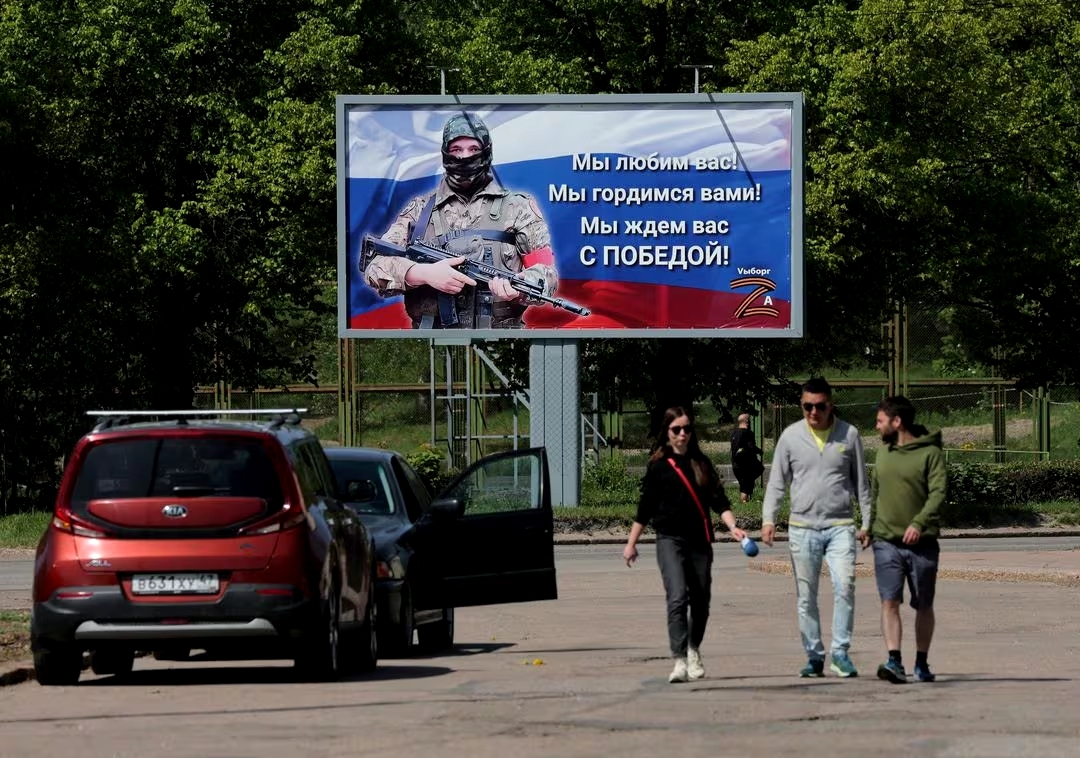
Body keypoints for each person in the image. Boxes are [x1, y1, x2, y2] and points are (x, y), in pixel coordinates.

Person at [362, 111, 559, 329]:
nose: (464, 157)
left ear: (486, 152)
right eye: (456, 149)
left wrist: (520, 287)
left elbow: (548, 274)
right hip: (431, 342)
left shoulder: (518, 208)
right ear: (445, 154)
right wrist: (422, 273)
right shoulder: (420, 210)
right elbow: (375, 266)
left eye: (473, 149)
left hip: (501, 340)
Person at [622, 406, 747, 683]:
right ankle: (679, 660)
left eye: (686, 429)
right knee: (677, 597)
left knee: (701, 603)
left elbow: (719, 500)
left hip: (700, 541)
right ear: (667, 433)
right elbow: (645, 508)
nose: (682, 434)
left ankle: (693, 649)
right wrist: (631, 543)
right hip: (669, 540)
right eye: (676, 429)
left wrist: (733, 527)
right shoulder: (658, 467)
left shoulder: (701, 463)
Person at [761, 377, 872, 678]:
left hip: (840, 526)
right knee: (806, 595)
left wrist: (867, 522)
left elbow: (862, 483)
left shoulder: (849, 435)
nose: (813, 412)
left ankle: (840, 653)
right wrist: (769, 518)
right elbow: (776, 483)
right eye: (807, 406)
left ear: (830, 405)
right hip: (802, 527)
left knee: (845, 586)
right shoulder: (790, 436)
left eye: (819, 406)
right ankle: (814, 656)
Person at [870, 395, 947, 684]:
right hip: (885, 541)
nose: (876, 427)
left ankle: (922, 662)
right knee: (889, 601)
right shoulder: (883, 453)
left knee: (923, 605)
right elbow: (874, 492)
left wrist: (918, 522)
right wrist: (867, 526)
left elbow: (938, 493)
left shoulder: (930, 454)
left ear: (897, 421)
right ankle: (894, 661)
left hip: (923, 544)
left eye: (880, 421)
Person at [730, 412, 764, 504]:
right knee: (748, 482)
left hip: (735, 464)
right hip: (745, 465)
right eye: (749, 420)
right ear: (747, 421)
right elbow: (751, 447)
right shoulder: (747, 433)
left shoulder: (734, 433)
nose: (750, 422)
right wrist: (759, 451)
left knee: (746, 483)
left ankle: (747, 500)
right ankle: (744, 503)